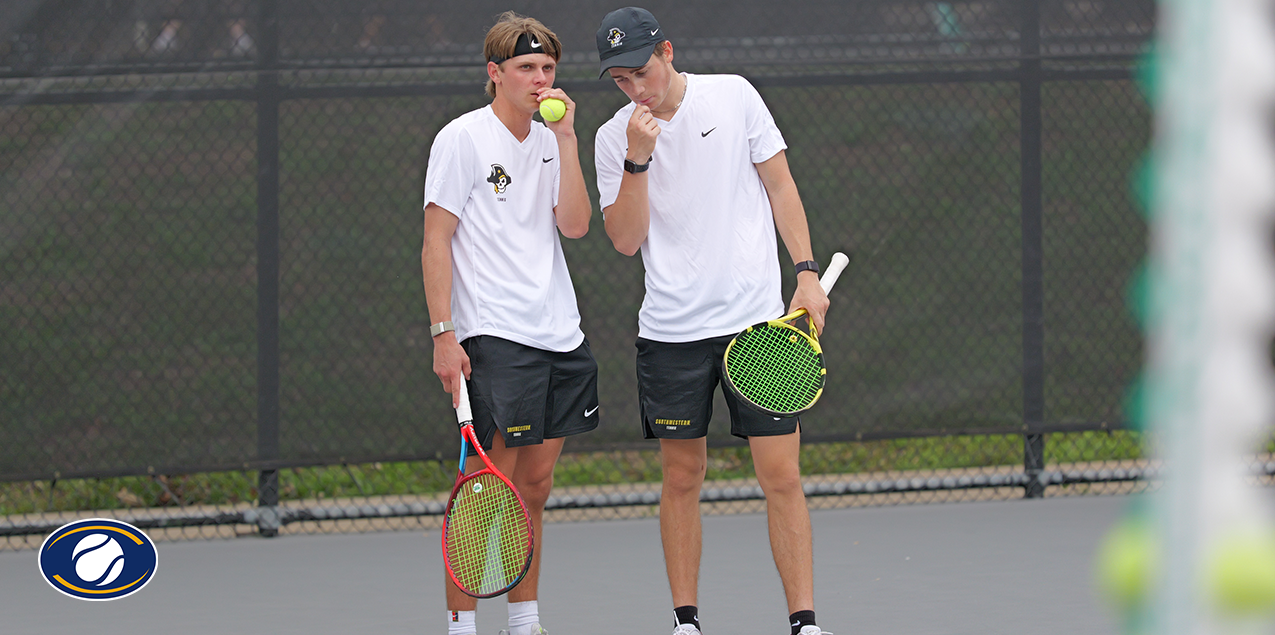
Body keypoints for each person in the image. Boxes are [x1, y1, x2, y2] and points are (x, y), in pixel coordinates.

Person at [592, 7, 832, 635]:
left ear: (667, 52)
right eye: (620, 81)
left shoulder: (734, 96)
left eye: (641, 71)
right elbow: (624, 239)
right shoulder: (612, 137)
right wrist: (638, 159)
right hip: (671, 333)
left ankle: (804, 624)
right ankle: (686, 623)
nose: (635, 89)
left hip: (758, 328)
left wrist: (805, 271)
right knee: (682, 475)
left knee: (781, 476)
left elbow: (780, 186)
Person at [421, 11, 598, 635]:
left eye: (548, 68)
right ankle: (462, 627)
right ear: (494, 74)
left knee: (536, 486)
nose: (540, 80)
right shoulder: (461, 139)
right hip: (493, 334)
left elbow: (575, 225)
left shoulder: (556, 138)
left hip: (560, 333)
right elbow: (435, 241)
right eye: (526, 68)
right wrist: (445, 332)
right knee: (482, 490)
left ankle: (524, 622)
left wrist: (571, 140)